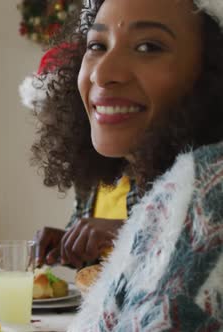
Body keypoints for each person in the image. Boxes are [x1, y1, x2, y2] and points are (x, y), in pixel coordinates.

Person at [31, 0, 223, 329]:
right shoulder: (157, 178)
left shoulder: (210, 186)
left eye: (148, 46)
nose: (103, 73)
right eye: (97, 46)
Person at [23, 45, 136, 269]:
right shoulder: (91, 170)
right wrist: (67, 242)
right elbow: (97, 260)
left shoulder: (161, 166)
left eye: (63, 121)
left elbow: (187, 245)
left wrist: (121, 230)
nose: (58, 135)